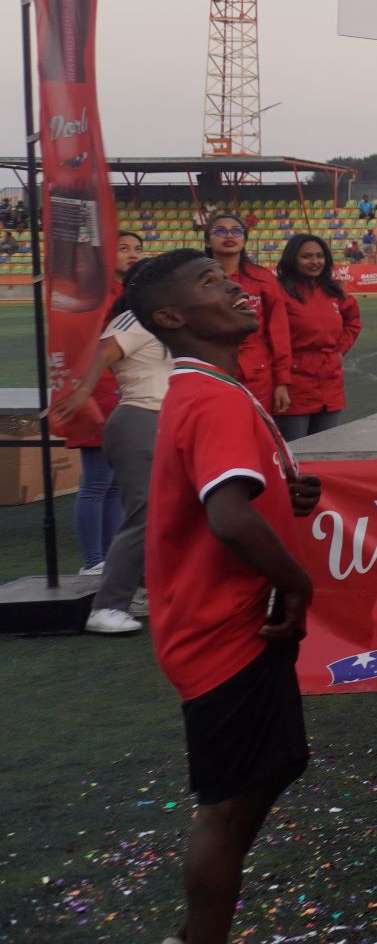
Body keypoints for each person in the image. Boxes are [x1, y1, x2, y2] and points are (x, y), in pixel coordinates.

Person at [128, 249, 324, 944]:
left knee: (272, 768)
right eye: (210, 282)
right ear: (172, 318)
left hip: (228, 621)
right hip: (224, 627)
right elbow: (229, 517)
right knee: (228, 799)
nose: (235, 285)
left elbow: (242, 497)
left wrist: (286, 486)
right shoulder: (209, 395)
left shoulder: (217, 387)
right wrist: (300, 582)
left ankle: (191, 941)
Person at [60, 258, 180, 636]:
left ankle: (145, 590)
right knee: (144, 515)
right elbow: (104, 351)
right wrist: (81, 392)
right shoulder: (133, 319)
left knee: (170, 513)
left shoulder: (168, 321)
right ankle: (107, 606)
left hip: (170, 422)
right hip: (141, 421)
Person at [70, 226, 146, 572]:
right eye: (123, 248)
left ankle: (109, 557)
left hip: (124, 394)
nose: (132, 253)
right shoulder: (95, 296)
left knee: (116, 484)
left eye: (137, 248)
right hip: (99, 394)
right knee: (96, 481)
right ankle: (92, 559)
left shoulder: (133, 294)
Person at [275, 235, 361, 441]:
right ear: (292, 259)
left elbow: (353, 321)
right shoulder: (278, 292)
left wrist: (340, 350)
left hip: (330, 380)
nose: (314, 262)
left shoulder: (334, 291)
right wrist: (280, 382)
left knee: (324, 449)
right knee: (295, 450)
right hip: (294, 381)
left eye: (319, 256)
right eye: (306, 256)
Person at [206, 214, 292, 419]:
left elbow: (279, 333)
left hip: (256, 373)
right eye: (220, 231)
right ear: (207, 240)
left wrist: (282, 382)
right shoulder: (195, 279)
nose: (229, 235)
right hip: (210, 368)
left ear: (244, 239)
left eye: (236, 230)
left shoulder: (262, 279)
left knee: (257, 433)